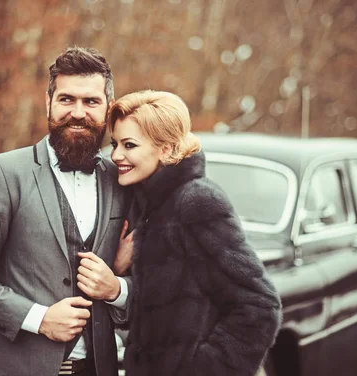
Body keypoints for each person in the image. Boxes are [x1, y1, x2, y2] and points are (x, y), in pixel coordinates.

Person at [0, 46, 134, 376]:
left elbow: (153, 277)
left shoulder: (122, 178)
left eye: (91, 102)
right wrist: (39, 318)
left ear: (108, 109)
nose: (78, 112)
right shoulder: (5, 173)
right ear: (48, 103)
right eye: (66, 99)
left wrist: (117, 290)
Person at [109, 90, 282, 376]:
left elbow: (260, 305)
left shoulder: (197, 201)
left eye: (129, 145)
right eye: (115, 143)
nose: (116, 155)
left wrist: (205, 368)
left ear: (165, 149)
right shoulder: (148, 205)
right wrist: (118, 271)